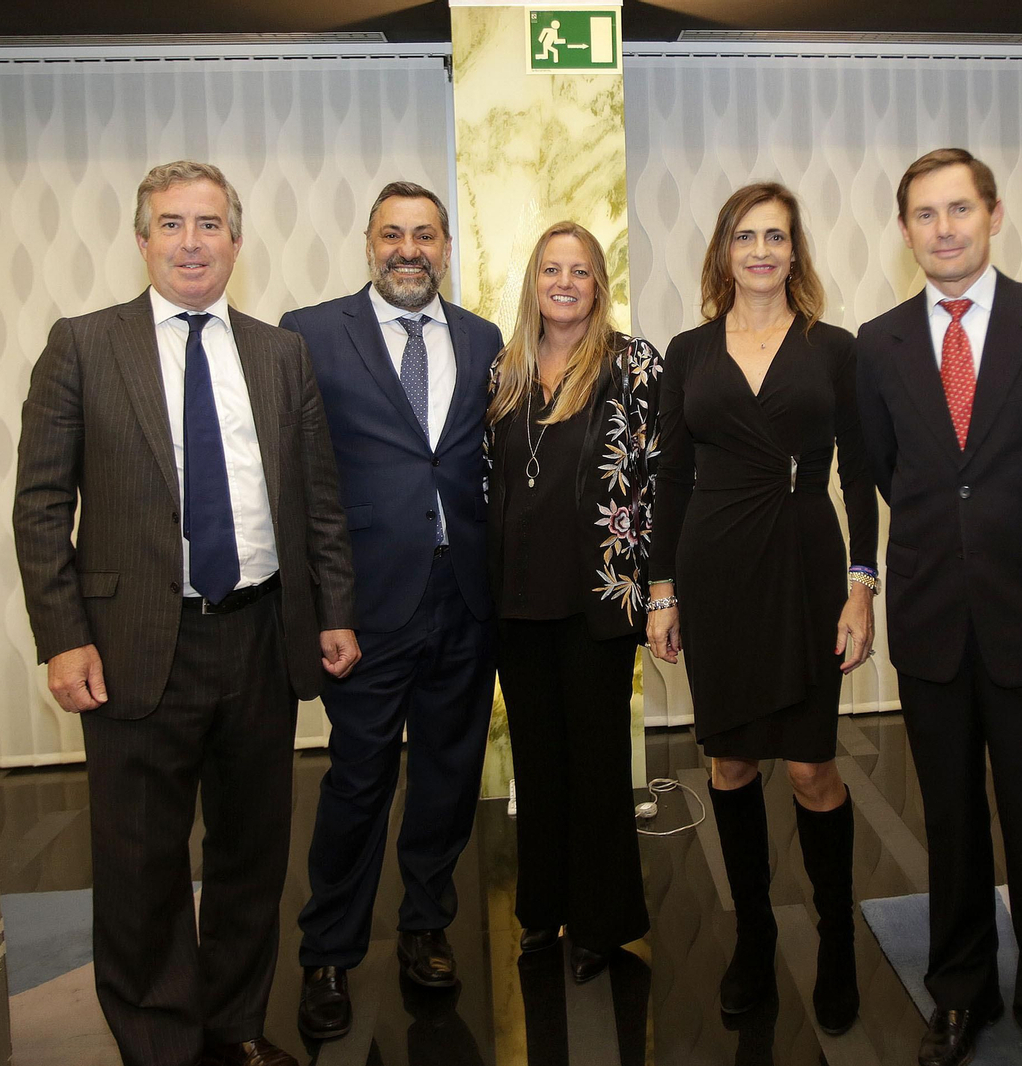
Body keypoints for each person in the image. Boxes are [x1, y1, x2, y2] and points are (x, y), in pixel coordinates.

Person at [12, 160, 359, 1066]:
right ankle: (159, 1042)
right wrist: (63, 637)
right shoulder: (83, 345)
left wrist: (334, 611)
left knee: (251, 854)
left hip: (258, 633)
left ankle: (235, 1026)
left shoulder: (281, 355)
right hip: (131, 644)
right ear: (141, 240)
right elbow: (41, 505)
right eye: (172, 224)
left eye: (210, 225)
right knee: (139, 864)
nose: (192, 242)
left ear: (237, 242)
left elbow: (318, 499)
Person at [854, 148, 1022, 1066]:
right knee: (950, 826)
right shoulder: (877, 344)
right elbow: (894, 473)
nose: (944, 229)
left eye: (960, 209)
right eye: (925, 214)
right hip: (932, 623)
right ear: (905, 228)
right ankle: (959, 994)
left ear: (994, 214)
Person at [647, 181, 878, 1035]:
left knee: (814, 766)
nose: (761, 252)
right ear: (723, 251)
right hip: (714, 571)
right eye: (746, 237)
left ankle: (839, 937)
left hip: (808, 565)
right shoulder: (688, 351)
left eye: (776, 237)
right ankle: (752, 937)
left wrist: (863, 584)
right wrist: (661, 588)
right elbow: (672, 476)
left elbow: (859, 472)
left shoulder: (833, 350)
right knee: (730, 763)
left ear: (795, 252)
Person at [280, 181, 502, 1040]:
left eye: (425, 235)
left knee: (448, 774)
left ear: (446, 247)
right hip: (365, 603)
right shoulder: (311, 333)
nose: (409, 250)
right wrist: (322, 604)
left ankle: (424, 925)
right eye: (392, 235)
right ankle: (328, 951)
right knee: (358, 779)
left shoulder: (483, 338)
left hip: (465, 596)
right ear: (368, 243)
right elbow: (303, 478)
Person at [484, 221, 661, 983]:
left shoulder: (633, 365)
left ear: (598, 284)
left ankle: (603, 922)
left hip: (597, 600)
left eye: (579, 271)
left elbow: (657, 482)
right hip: (516, 599)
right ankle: (539, 913)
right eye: (551, 268)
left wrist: (662, 589)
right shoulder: (505, 368)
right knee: (538, 761)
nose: (564, 282)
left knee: (596, 764)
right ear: (534, 280)